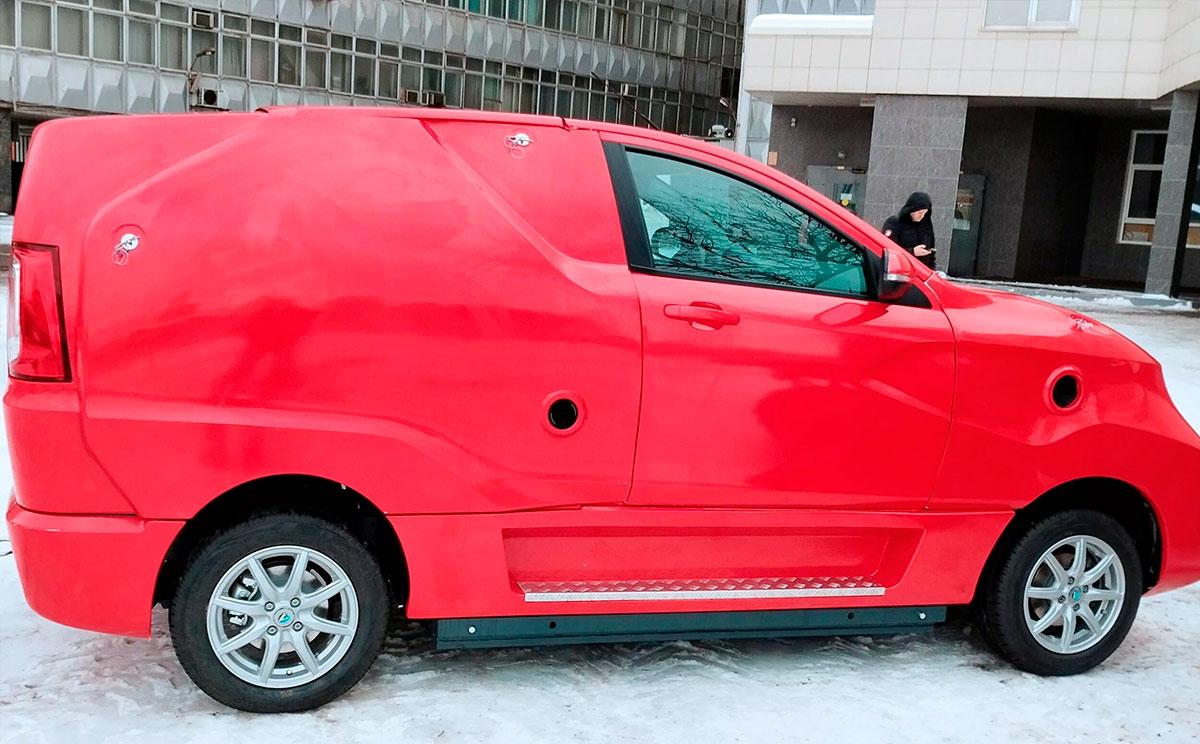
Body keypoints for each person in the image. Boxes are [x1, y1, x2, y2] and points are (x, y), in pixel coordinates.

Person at [882, 192, 935, 269]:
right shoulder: (895, 223)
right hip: (900, 270)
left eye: (924, 213)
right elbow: (888, 249)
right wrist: (912, 252)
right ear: (912, 210)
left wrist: (932, 269)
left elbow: (931, 253)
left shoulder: (926, 225)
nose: (922, 216)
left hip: (922, 272)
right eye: (919, 212)